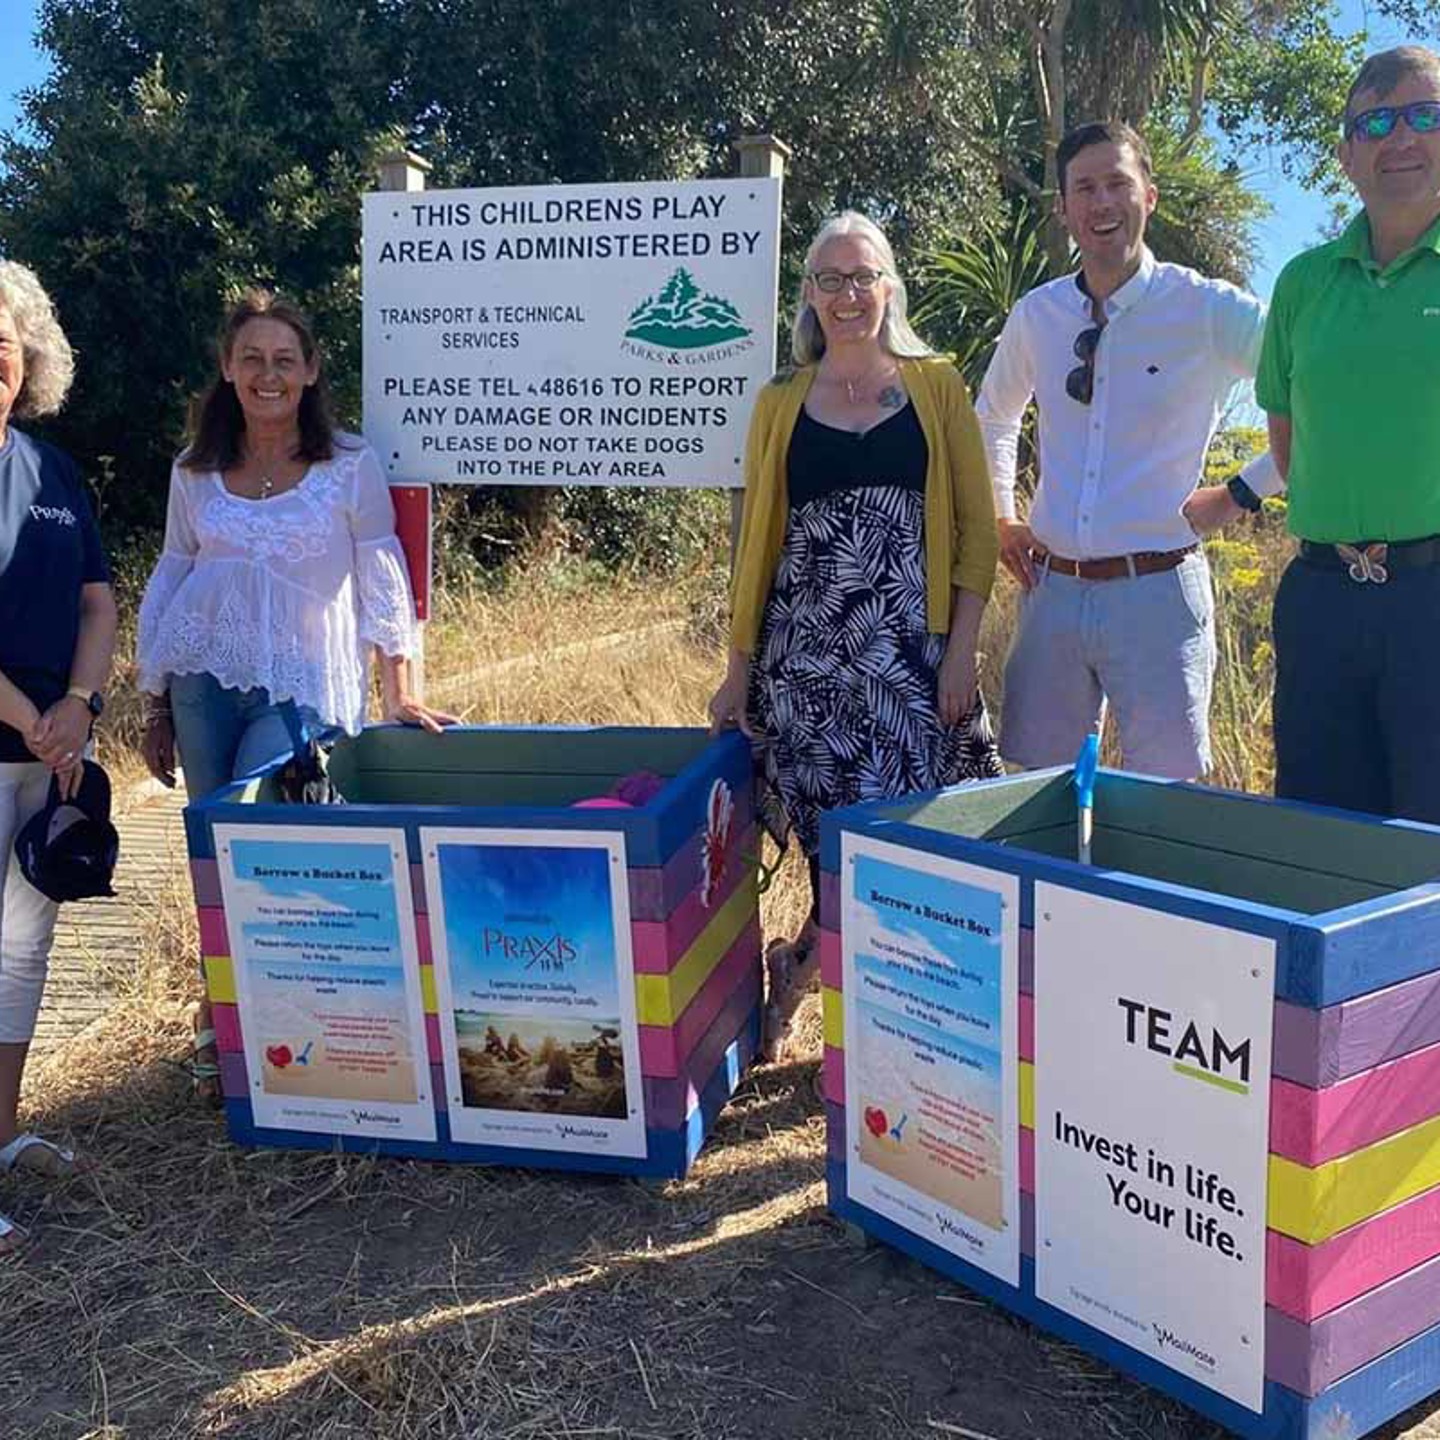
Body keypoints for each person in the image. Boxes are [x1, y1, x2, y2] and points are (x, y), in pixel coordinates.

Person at [137, 289, 454, 1096]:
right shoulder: (194, 469)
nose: (267, 375)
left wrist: (400, 689)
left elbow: (385, 578)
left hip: (305, 690)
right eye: (252, 360)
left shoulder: (348, 465)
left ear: (311, 371)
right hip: (204, 682)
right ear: (227, 369)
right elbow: (174, 576)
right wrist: (153, 700)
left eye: (284, 360)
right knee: (215, 856)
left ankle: (302, 1029)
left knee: (273, 849)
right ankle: (222, 1029)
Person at [708, 212, 1002, 1057]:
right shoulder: (778, 401)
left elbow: (977, 536)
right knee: (840, 851)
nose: (848, 295)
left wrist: (962, 651)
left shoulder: (936, 383)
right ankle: (824, 998)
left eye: (863, 276)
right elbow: (756, 545)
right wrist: (738, 670)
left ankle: (851, 1001)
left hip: (911, 660)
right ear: (808, 294)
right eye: (830, 279)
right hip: (809, 665)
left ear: (889, 286)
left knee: (908, 849)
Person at [975, 121, 1283, 780]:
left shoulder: (1207, 309)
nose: (1101, 203)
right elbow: (994, 417)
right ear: (1063, 209)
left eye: (1117, 182)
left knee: (1164, 809)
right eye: (1083, 188)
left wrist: (1243, 491)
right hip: (1051, 594)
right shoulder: (1039, 314)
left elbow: (1314, 395)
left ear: (1150, 195)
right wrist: (1002, 516)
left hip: (1159, 593)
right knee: (1034, 797)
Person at [1257, 47, 1440, 821]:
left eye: (1425, 114)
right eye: (1377, 120)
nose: (1402, 137)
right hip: (1321, 599)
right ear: (1346, 155)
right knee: (1318, 836)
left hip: (1432, 597)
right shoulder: (1301, 282)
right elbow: (1288, 442)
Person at [0, 261, 118, 1253]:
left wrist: (78, 706)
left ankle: (3, 1133)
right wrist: (35, 716)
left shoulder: (52, 471)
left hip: (50, 751)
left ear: (28, 355)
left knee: (20, 948)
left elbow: (96, 600)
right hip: (23, 739)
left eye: (2, 338)